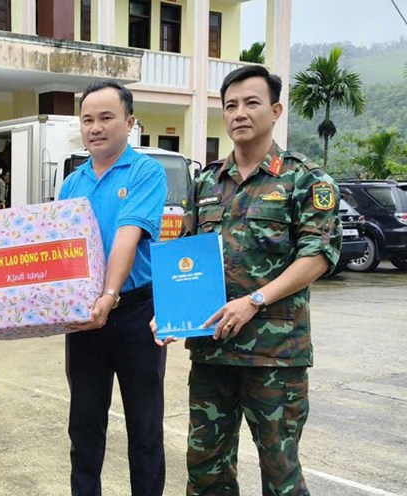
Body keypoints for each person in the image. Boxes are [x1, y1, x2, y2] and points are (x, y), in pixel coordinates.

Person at [162, 65, 341, 495]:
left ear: (276, 110)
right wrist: (169, 311)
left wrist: (254, 300)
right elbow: (187, 254)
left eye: (251, 103)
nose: (239, 113)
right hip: (212, 355)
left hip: (274, 358)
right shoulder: (205, 181)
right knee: (206, 471)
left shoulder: (305, 179)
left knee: (280, 474)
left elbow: (318, 254)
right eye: (231, 105)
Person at [59, 80, 168, 496]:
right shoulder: (73, 183)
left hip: (135, 313)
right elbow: (61, 251)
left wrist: (109, 295)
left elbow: (128, 233)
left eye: (106, 117)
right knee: (84, 425)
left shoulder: (146, 172)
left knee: (144, 426)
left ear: (130, 121)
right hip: (83, 316)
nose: (96, 127)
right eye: (88, 119)